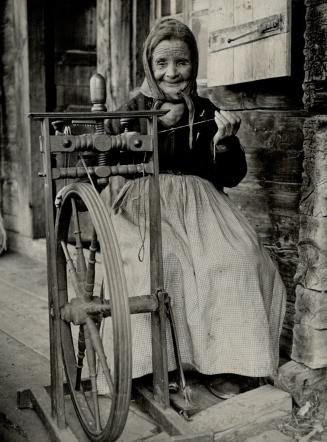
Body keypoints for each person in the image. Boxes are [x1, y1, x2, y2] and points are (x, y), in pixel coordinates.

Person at [101, 17, 286, 399]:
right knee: (162, 260)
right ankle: (150, 366)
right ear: (149, 67)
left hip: (202, 207)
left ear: (194, 64)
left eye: (181, 62)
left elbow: (232, 177)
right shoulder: (131, 109)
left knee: (239, 257)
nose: (172, 72)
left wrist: (224, 142)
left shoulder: (205, 110)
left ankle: (228, 363)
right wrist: (120, 140)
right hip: (144, 204)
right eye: (162, 63)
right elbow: (102, 160)